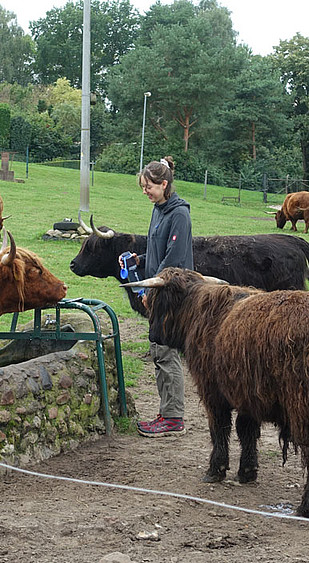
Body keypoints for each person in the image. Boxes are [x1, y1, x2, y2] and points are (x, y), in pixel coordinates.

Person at [121, 156, 194, 437]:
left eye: (149, 186)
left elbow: (173, 261)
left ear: (164, 184)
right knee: (158, 351)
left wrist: (150, 291)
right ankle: (167, 412)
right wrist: (138, 260)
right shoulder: (159, 209)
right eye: (143, 187)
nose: (145, 192)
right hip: (157, 290)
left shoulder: (179, 215)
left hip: (171, 295)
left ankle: (173, 418)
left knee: (165, 352)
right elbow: (158, 250)